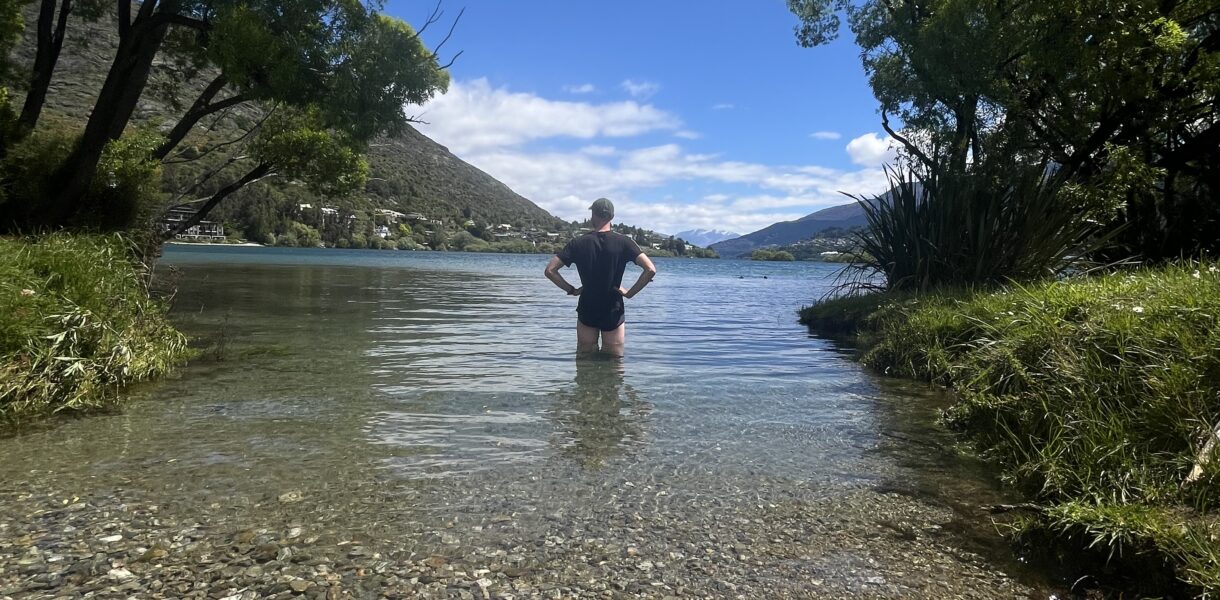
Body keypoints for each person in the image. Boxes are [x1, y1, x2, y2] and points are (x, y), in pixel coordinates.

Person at [544, 198, 657, 355]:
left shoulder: (578, 243)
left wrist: (571, 290)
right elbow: (650, 269)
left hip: (587, 306)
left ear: (594, 215)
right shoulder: (625, 242)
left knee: (584, 357)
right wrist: (629, 293)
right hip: (613, 308)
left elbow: (550, 271)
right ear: (612, 216)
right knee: (614, 360)